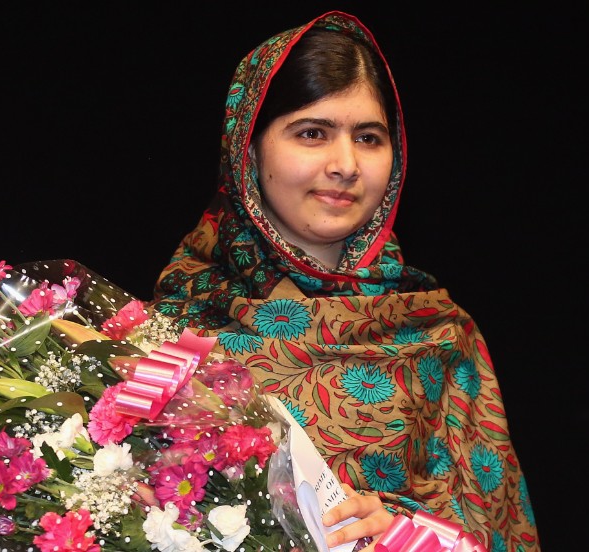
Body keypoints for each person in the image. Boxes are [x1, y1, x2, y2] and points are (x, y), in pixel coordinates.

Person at [149, 10, 540, 551]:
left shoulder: (439, 336)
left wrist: (405, 534)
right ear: (249, 148)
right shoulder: (178, 317)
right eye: (312, 133)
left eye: (369, 138)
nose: (345, 164)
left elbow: (497, 530)